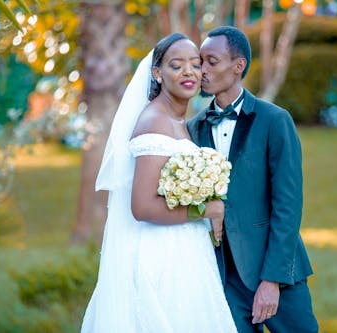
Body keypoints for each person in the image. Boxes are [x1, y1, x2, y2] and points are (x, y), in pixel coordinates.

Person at [80, 33, 237, 332]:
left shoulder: (179, 121)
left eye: (195, 64)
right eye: (177, 65)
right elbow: (141, 207)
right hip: (161, 254)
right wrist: (206, 210)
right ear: (157, 73)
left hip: (184, 247)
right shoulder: (154, 121)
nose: (189, 72)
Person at [187, 26, 319, 333]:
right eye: (199, 62)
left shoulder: (274, 120)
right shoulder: (193, 130)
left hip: (277, 272)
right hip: (224, 279)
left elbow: (288, 206)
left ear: (238, 65)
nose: (202, 70)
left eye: (212, 61)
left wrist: (272, 280)